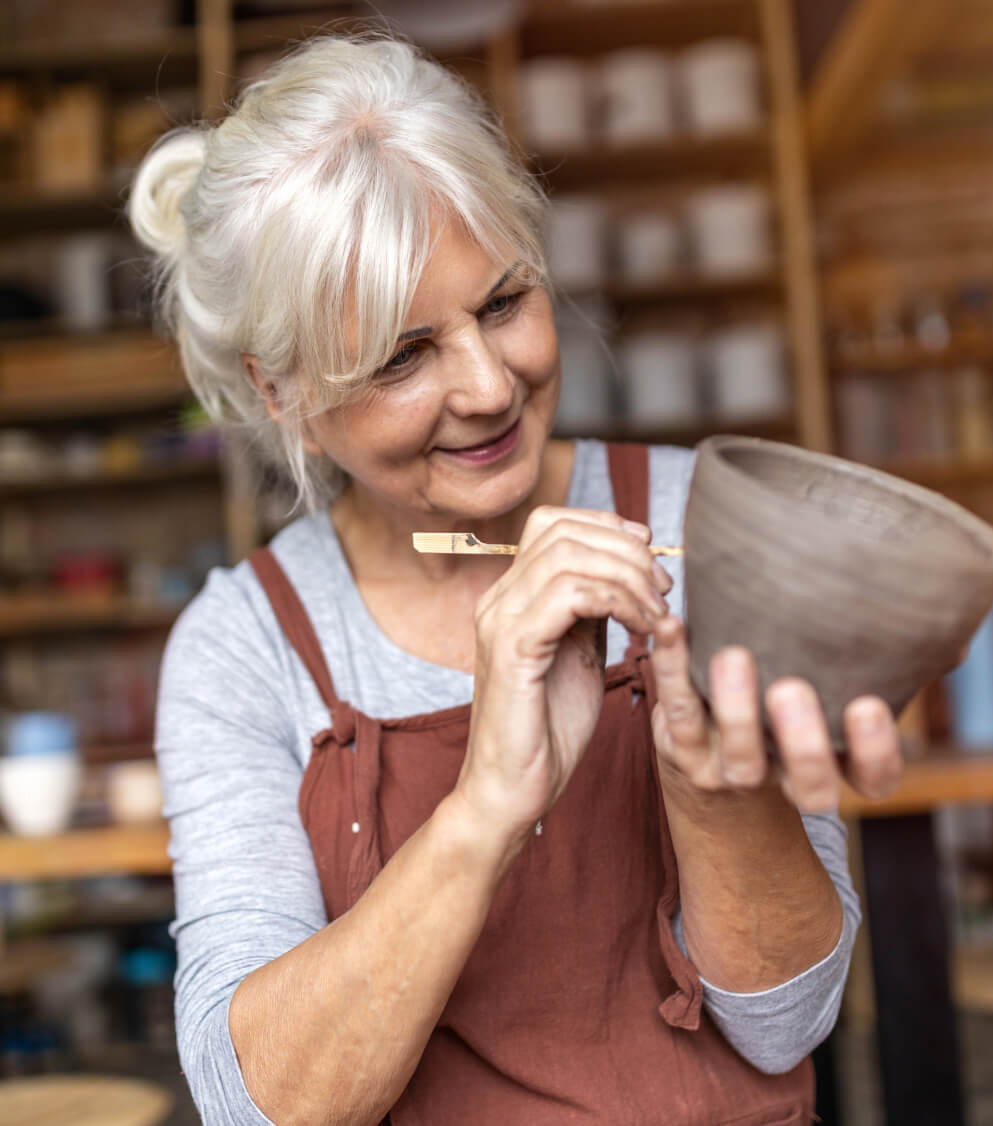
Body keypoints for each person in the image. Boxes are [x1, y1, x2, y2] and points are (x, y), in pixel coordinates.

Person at [130, 33, 903, 1126]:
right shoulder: (242, 647)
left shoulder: (705, 526)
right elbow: (258, 1109)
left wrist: (716, 794)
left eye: (503, 303)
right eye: (402, 358)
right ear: (282, 391)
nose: (491, 387)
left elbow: (786, 1024)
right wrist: (488, 805)